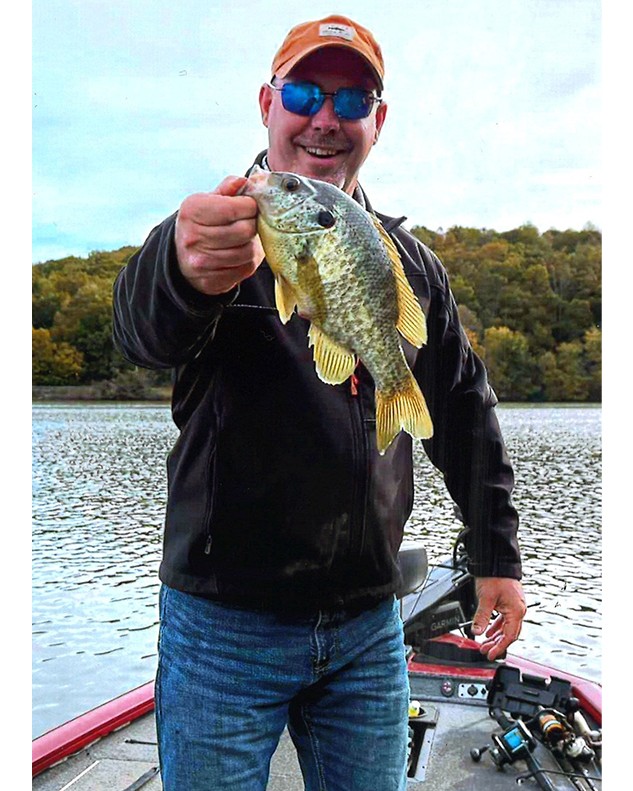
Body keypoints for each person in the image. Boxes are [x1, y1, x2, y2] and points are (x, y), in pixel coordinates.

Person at [113, 14, 526, 791]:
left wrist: (497, 554)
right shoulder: (212, 233)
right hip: (222, 626)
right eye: (305, 92)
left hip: (369, 621)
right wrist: (177, 266)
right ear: (267, 103)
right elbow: (140, 331)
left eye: (352, 97)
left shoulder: (407, 261)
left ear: (378, 119)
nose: (325, 118)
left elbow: (465, 414)